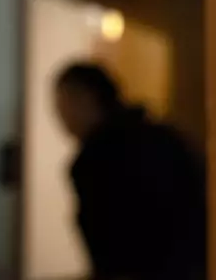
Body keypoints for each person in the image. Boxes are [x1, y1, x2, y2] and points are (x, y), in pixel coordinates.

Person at [54, 62, 206, 280]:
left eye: (62, 104)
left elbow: (114, 246)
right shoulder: (165, 138)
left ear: (85, 98)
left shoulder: (97, 159)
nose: (61, 117)